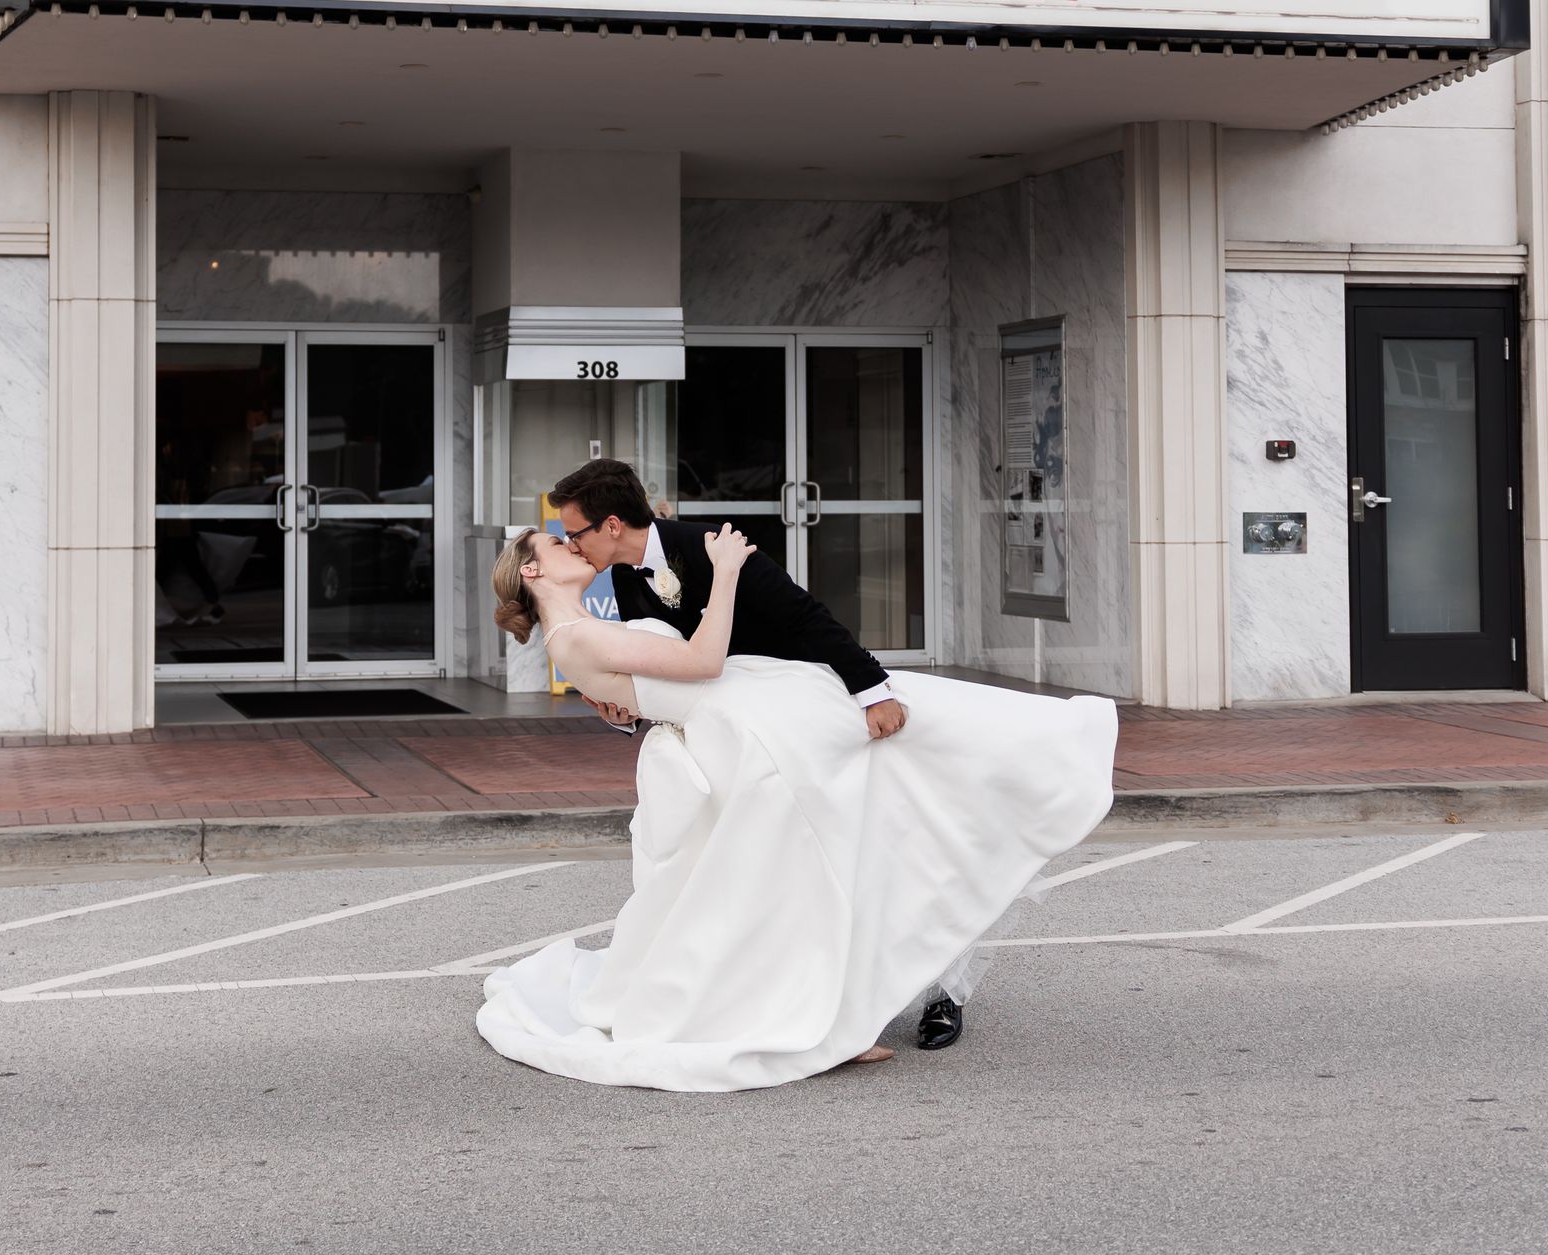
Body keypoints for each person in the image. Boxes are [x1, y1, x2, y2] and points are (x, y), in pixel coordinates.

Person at [476, 505, 1118, 1095]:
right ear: (533, 569)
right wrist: (725, 572)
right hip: (751, 738)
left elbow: (635, 685)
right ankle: (827, 1014)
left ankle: (872, 986)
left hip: (758, 713)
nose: (572, 545)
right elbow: (699, 661)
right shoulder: (576, 634)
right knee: (809, 875)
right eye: (557, 542)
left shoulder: (589, 617)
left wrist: (621, 701)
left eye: (574, 532)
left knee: (830, 850)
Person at [552, 458, 977, 1052]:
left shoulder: (711, 547)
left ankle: (944, 990)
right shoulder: (625, 575)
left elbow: (802, 614)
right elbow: (659, 664)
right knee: (793, 872)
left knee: (885, 843)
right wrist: (626, 712)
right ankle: (808, 999)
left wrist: (871, 690)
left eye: (576, 533)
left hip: (803, 710)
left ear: (613, 524)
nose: (572, 546)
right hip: (738, 738)